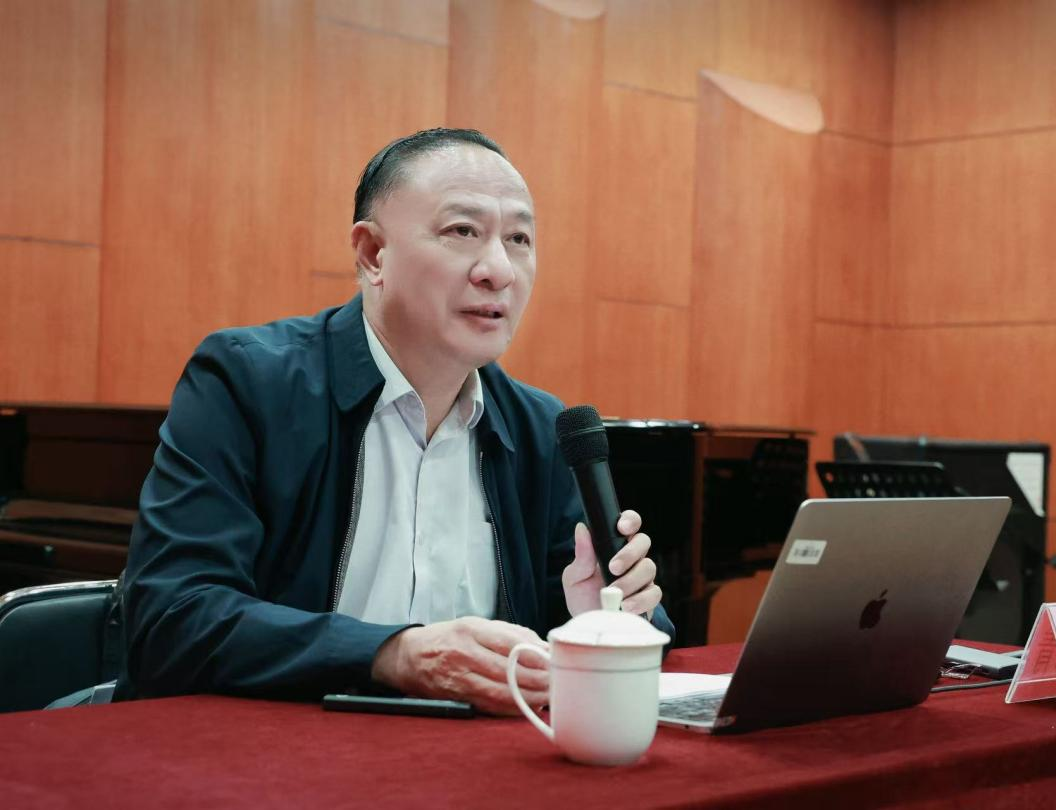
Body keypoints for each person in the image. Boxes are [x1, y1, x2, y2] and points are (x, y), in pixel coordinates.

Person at [114, 128, 673, 714]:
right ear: (373, 254)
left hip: (464, 759)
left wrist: (604, 620)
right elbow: (170, 619)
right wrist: (393, 655)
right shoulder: (248, 383)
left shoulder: (539, 426)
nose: (499, 270)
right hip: (261, 749)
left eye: (519, 239)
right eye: (463, 231)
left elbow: (643, 633)